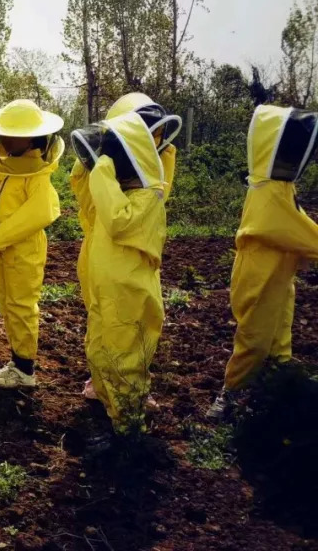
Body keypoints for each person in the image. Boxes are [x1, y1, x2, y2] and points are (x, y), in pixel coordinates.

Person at [69, 105, 180, 446]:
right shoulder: (118, 194)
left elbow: (118, 221)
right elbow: (86, 194)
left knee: (125, 360)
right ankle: (112, 413)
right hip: (107, 296)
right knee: (100, 352)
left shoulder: (146, 199)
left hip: (128, 299)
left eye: (114, 158)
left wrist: (102, 168)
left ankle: (129, 433)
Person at [207, 105, 318, 419]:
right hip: (258, 277)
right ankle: (231, 394)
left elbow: (298, 224)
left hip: (279, 275)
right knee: (254, 339)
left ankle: (275, 386)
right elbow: (293, 230)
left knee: (280, 330)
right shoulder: (267, 191)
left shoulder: (280, 186)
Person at [0, 100, 63, 389]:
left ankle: (26, 371)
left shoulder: (37, 174)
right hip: (5, 247)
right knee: (7, 303)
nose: (5, 140)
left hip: (24, 248)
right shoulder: (9, 167)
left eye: (13, 134)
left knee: (22, 306)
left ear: (31, 136)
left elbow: (42, 211)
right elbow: (1, 206)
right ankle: (17, 362)